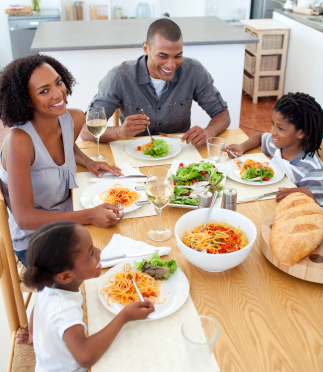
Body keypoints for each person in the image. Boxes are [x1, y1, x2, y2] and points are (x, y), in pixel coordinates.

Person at [0, 54, 124, 268]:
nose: (58, 94)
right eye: (44, 91)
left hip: (71, 214)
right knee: (99, 268)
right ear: (25, 100)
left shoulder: (73, 119)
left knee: (123, 247)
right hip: (36, 239)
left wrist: (87, 161)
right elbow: (24, 219)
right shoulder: (19, 141)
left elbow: (66, 145)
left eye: (58, 82)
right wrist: (89, 216)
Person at [16, 222, 154, 371]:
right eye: (90, 254)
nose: (99, 251)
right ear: (66, 276)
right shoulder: (64, 308)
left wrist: (34, 331)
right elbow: (85, 357)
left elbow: (38, 307)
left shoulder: (46, 282)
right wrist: (124, 316)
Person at [81, 18, 230, 146]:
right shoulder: (119, 77)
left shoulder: (194, 71)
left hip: (180, 157)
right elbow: (85, 131)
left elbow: (222, 114)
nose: (171, 65)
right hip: (134, 156)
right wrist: (119, 132)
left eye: (177, 56)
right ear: (146, 48)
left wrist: (208, 131)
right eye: (163, 56)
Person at [225, 92, 323, 205]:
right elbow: (260, 138)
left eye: (280, 128)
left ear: (301, 133)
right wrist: (242, 147)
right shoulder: (278, 145)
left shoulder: (312, 170)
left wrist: (308, 195)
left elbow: (319, 212)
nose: (272, 132)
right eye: (273, 124)